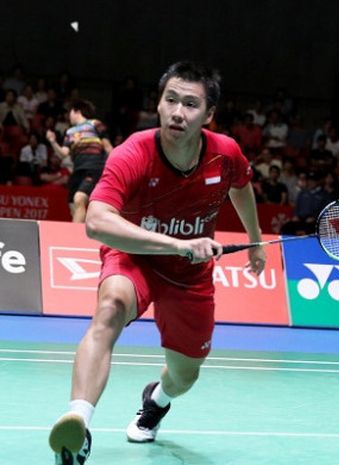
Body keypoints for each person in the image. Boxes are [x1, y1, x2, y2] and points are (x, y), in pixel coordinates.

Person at [48, 61, 266, 465]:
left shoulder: (225, 153)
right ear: (159, 104)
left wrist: (254, 241)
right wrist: (176, 243)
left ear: (208, 116)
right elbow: (96, 222)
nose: (178, 112)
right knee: (109, 308)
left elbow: (242, 186)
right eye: (170, 100)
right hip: (136, 258)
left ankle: (157, 400)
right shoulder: (134, 152)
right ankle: (78, 423)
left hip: (190, 277)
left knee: (185, 375)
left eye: (190, 104)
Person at [46, 99, 113, 223]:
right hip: (77, 171)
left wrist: (113, 168)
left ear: (77, 111)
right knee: (73, 207)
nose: (68, 115)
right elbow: (63, 154)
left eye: (70, 112)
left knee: (79, 199)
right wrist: (52, 141)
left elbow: (108, 146)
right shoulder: (70, 132)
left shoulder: (95, 124)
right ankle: (82, 235)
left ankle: (73, 238)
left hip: (93, 167)